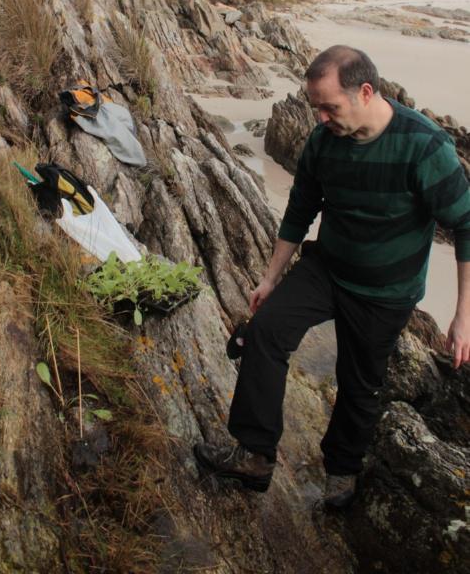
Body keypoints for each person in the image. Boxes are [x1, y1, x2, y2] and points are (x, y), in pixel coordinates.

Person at [194, 45, 470, 507]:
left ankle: (342, 474)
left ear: (365, 91)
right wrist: (269, 279)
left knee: (359, 384)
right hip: (327, 269)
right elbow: (299, 211)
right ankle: (255, 456)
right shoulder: (322, 143)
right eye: (315, 107)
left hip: (386, 293)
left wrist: (463, 315)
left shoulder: (424, 146)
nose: (320, 118)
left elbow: (465, 224)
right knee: (264, 332)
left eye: (329, 107)